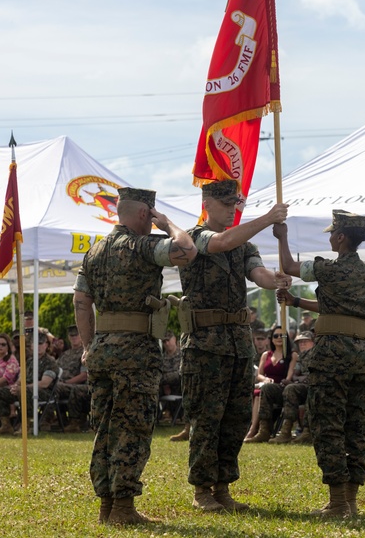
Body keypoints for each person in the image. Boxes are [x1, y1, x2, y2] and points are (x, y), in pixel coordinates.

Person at [73, 186, 198, 525]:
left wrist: (87, 346)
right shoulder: (144, 246)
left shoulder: (95, 251)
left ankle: (106, 506)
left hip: (101, 350)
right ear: (145, 214)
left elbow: (81, 303)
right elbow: (187, 249)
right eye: (152, 215)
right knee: (133, 427)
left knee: (105, 427)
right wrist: (169, 223)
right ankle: (124, 509)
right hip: (136, 352)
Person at [176, 179, 288, 513]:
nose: (232, 210)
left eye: (236, 204)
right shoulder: (193, 238)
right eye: (226, 204)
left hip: (237, 344)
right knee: (207, 419)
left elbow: (258, 275)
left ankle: (223, 486)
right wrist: (268, 218)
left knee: (235, 418)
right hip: (205, 345)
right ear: (207, 203)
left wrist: (276, 280)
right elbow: (222, 242)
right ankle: (201, 490)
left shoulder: (243, 245)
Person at [274, 208, 365, 518]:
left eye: (332, 233)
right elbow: (334, 305)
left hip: (334, 355)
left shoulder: (329, 269)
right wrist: (295, 302)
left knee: (327, 425)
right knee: (354, 425)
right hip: (362, 354)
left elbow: (289, 266)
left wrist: (283, 237)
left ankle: (337, 504)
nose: (330, 238)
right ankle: (350, 501)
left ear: (341, 237)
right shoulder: (364, 272)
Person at [0, 329, 59, 435]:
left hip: (44, 393)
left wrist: (23, 387)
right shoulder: (29, 361)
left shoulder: (50, 362)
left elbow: (44, 383)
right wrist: (16, 386)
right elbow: (21, 379)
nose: (38, 346)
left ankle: (26, 426)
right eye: (34, 343)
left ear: (46, 345)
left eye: (40, 343)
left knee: (25, 392)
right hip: (24, 389)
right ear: (31, 346)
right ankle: (6, 425)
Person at [245, 325, 295, 443]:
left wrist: (285, 380)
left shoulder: (292, 355)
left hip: (281, 388)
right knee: (258, 392)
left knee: (262, 392)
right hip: (266, 385)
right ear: (271, 339)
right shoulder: (266, 355)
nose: (278, 338)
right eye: (275, 335)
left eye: (281, 335)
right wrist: (265, 380)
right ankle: (258, 429)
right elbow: (259, 375)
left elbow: (289, 375)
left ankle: (253, 430)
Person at [268, 330, 315, 444]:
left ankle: (306, 432)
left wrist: (300, 379)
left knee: (293, 389)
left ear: (313, 342)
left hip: (314, 387)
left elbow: (312, 376)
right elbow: (295, 375)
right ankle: (275, 430)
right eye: (300, 342)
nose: (302, 344)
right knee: (270, 389)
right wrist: (299, 379)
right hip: (302, 387)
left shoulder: (316, 354)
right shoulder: (301, 356)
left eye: (305, 341)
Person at [54, 325, 90, 433]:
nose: (74, 337)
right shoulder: (65, 354)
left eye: (76, 335)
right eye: (71, 335)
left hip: (77, 385)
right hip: (62, 384)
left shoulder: (85, 353)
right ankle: (61, 420)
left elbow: (84, 375)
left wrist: (66, 382)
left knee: (56, 388)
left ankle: (73, 422)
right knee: (51, 387)